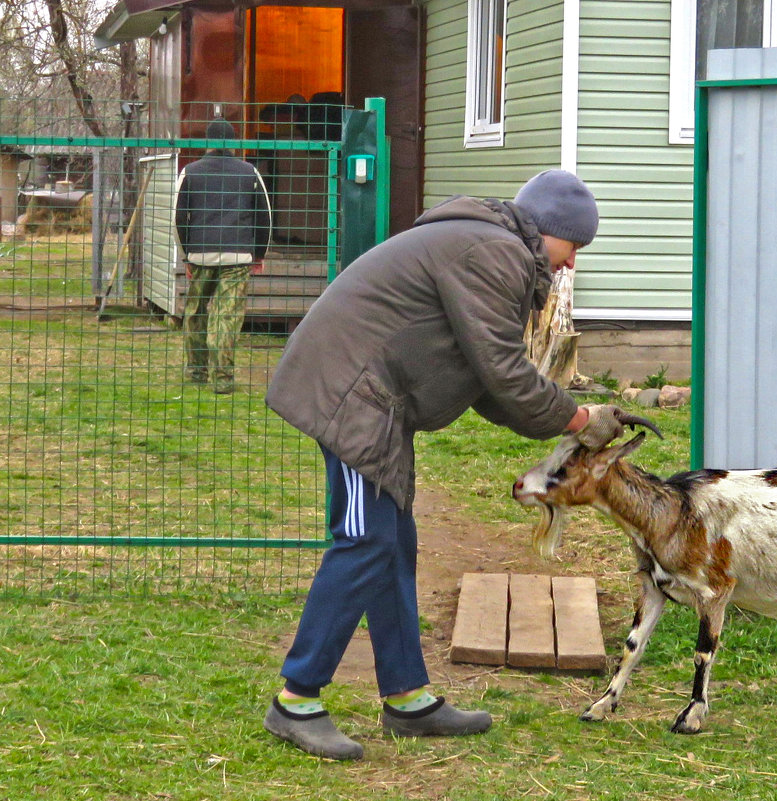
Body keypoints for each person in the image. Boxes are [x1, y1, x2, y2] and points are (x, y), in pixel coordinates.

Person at [262, 169, 628, 760]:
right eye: (573, 247)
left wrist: (564, 417)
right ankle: (295, 700)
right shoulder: (496, 254)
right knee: (362, 541)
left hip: (373, 397)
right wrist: (579, 419)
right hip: (350, 394)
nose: (570, 264)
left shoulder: (493, 248)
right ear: (549, 231)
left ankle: (407, 699)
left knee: (391, 541)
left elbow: (487, 380)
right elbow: (505, 372)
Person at [174, 117, 272, 395]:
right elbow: (264, 216)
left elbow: (179, 217)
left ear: (207, 142)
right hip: (238, 255)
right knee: (227, 316)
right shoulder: (249, 172)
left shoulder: (190, 172)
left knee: (196, 312)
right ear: (232, 142)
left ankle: (196, 370)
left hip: (200, 254)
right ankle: (224, 378)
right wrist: (259, 253)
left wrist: (186, 256)